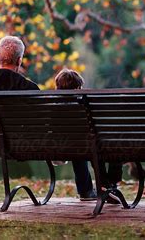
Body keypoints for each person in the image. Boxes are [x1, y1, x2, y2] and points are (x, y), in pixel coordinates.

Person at [54, 68, 97, 201]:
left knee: (77, 146)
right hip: (81, 148)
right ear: (78, 88)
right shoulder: (82, 106)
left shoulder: (51, 106)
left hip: (55, 148)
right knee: (82, 147)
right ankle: (97, 188)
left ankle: (86, 191)